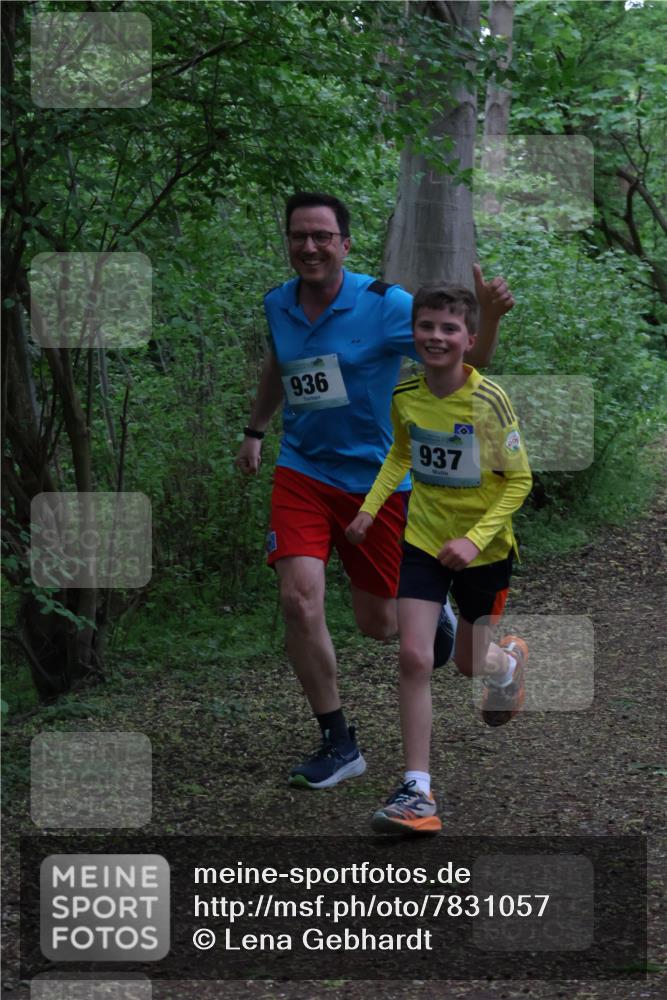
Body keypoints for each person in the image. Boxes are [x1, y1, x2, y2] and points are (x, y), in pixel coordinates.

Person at [236, 192, 514, 789]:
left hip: (378, 480)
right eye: (298, 236)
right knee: (298, 599)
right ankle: (338, 742)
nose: (309, 246)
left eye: (322, 236)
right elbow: (280, 364)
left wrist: (488, 316)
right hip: (304, 470)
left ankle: (495, 657)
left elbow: (468, 359)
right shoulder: (278, 302)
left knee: (380, 624)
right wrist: (256, 429)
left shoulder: (387, 305)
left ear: (345, 244)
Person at [345, 283, 532, 833]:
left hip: (485, 552)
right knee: (414, 657)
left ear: (469, 339)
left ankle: (507, 664)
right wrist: (370, 509)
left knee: (470, 664)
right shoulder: (406, 395)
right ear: (413, 334)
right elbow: (400, 453)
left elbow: (519, 481)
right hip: (423, 543)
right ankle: (417, 791)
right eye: (426, 326)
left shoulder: (488, 400)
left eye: (449, 328)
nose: (435, 336)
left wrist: (474, 539)